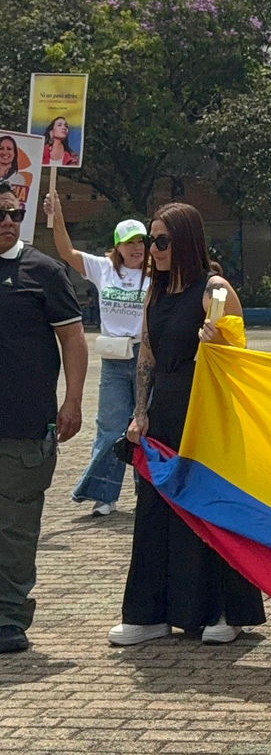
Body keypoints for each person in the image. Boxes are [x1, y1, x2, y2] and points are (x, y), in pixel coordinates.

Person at [110, 202, 265, 647]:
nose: (152, 250)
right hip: (165, 412)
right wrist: (139, 413)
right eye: (149, 241)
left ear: (185, 242)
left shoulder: (213, 288)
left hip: (208, 412)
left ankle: (225, 610)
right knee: (155, 508)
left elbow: (240, 359)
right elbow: (147, 357)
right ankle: (151, 612)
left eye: (160, 241)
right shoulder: (154, 294)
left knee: (206, 507)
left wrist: (221, 343)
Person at [0, 184, 87, 654]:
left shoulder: (42, 270)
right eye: (0, 215)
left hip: (24, 425)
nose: (9, 221)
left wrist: (72, 401)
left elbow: (73, 340)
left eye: (14, 213)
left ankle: (8, 617)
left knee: (14, 527)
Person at [44, 191, 149, 515]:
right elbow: (65, 251)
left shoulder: (156, 272)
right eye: (130, 242)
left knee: (146, 430)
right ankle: (105, 496)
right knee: (111, 429)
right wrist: (58, 213)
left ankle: (147, 495)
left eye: (141, 242)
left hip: (146, 360)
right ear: (117, 245)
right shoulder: (104, 269)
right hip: (115, 363)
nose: (137, 248)